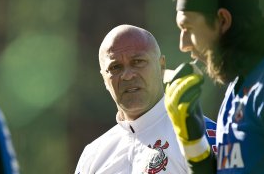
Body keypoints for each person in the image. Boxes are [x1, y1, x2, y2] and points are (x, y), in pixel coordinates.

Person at [75, 24, 216, 174]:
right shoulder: (92, 155)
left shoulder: (201, 134)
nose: (128, 75)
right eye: (115, 67)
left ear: (161, 66)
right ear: (104, 78)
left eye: (138, 62)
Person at [165, 0, 264, 173]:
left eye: (188, 28)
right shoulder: (240, 81)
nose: (183, 44)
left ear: (223, 20)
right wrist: (192, 143)